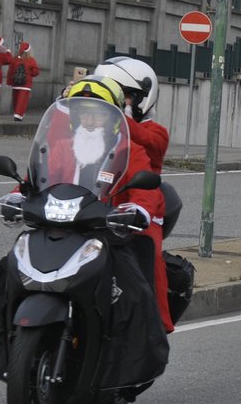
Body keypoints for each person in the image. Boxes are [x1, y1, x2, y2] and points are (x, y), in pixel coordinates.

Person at [57, 76, 174, 332]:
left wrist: (138, 209)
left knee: (146, 259)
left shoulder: (129, 147)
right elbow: (35, 177)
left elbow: (148, 184)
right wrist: (16, 195)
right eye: (83, 114)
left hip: (119, 219)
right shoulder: (63, 146)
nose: (89, 120)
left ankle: (154, 329)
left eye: (97, 114)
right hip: (71, 221)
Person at [93, 54, 181, 239]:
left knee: (148, 253)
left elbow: (145, 141)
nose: (114, 99)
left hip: (139, 209)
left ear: (141, 97)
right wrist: (70, 104)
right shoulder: (95, 127)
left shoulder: (156, 131)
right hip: (94, 207)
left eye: (122, 95)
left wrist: (113, 114)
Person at [8, 41, 41, 121]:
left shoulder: (15, 59)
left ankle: (16, 112)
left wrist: (9, 82)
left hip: (15, 84)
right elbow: (36, 72)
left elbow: (10, 71)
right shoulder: (31, 60)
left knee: (16, 99)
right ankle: (18, 114)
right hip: (26, 84)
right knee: (22, 100)